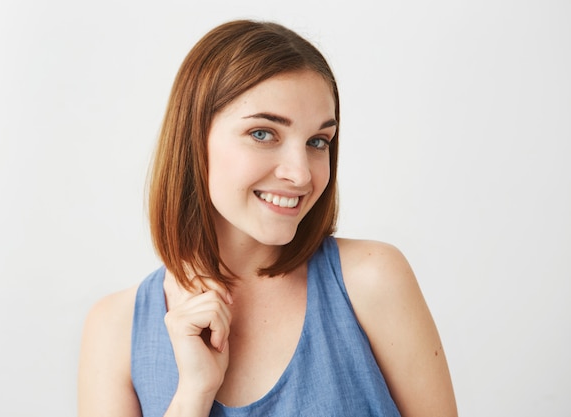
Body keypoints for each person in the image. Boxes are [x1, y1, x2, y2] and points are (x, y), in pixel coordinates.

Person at [77, 19, 458, 417]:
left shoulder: (372, 281)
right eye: (263, 133)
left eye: (317, 142)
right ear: (194, 140)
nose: (301, 174)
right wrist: (193, 393)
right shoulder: (115, 330)